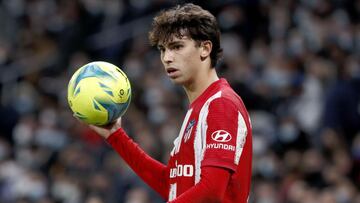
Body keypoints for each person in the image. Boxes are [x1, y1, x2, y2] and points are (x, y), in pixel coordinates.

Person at [88, 3, 252, 203]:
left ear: (205, 48)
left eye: (177, 47)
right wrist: (116, 136)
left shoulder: (221, 104)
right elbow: (171, 186)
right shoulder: (197, 109)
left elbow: (212, 190)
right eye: (162, 49)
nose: (167, 57)